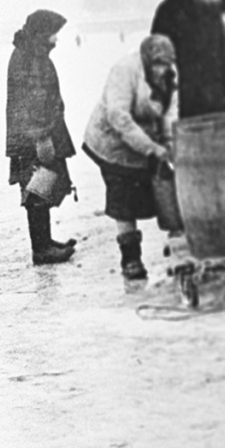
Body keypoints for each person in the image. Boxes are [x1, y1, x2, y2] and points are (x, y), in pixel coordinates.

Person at [82, 35, 178, 279]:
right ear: (146, 60)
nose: (162, 69)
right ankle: (131, 259)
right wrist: (152, 148)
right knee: (123, 198)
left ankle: (179, 249)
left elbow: (169, 114)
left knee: (162, 191)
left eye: (167, 64)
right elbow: (119, 117)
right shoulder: (124, 71)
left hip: (142, 140)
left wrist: (167, 144)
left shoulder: (169, 78)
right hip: (111, 142)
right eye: (157, 64)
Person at [5, 9, 77, 265]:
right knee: (36, 188)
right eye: (53, 33)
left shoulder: (30, 53)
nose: (56, 39)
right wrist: (42, 138)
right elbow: (31, 103)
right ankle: (41, 249)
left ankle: (45, 242)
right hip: (33, 137)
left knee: (41, 185)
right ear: (41, 33)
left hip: (32, 135)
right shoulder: (29, 57)